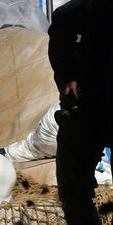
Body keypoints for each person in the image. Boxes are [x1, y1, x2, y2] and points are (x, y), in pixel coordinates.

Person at [48, 0, 113, 224]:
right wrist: (67, 76)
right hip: (87, 107)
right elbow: (60, 28)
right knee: (74, 189)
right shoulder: (79, 13)